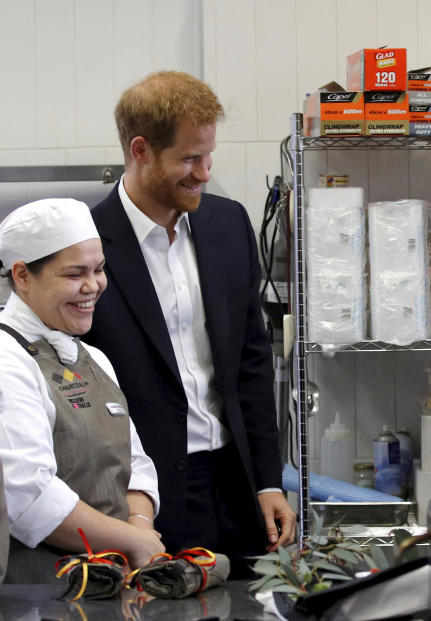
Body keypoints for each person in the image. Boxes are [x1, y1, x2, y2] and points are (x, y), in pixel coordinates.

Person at [81, 71, 295, 570]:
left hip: (236, 486)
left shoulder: (228, 223)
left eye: (208, 154)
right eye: (189, 158)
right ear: (140, 150)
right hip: (142, 500)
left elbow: (251, 361)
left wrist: (268, 479)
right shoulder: (85, 246)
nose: (204, 172)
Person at [0, 199, 164, 583]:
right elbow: (29, 497)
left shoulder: (93, 359)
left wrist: (139, 526)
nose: (93, 286)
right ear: (22, 275)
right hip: (41, 591)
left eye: (99, 269)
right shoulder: (8, 360)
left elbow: (135, 465)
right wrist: (133, 540)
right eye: (75, 274)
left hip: (110, 580)